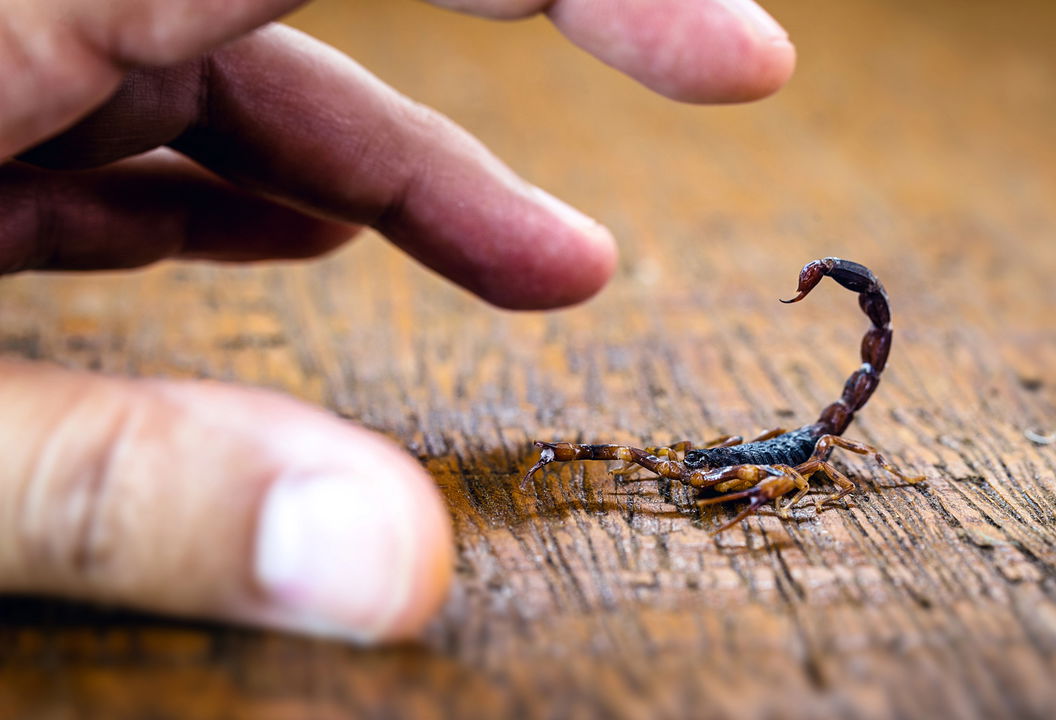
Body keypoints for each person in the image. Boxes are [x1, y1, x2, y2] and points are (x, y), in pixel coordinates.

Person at [0, 0, 794, 643]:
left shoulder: (793, 464)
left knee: (773, 466)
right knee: (674, 461)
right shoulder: (700, 468)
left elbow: (782, 472)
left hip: (793, 449)